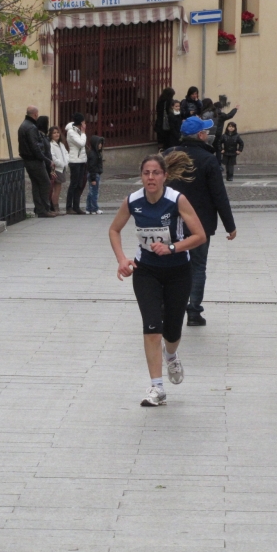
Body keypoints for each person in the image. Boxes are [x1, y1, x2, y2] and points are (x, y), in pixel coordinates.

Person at [108, 153, 207, 407]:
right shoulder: (133, 201)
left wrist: (173, 247)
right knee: (152, 327)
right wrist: (121, 259)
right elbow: (114, 229)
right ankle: (157, 387)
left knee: (172, 329)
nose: (150, 178)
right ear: (141, 176)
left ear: (164, 176)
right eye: (146, 173)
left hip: (177, 271)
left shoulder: (177, 200)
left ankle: (171, 355)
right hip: (146, 271)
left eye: (155, 173)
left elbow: (200, 235)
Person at [163, 116, 237, 326]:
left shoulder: (169, 155)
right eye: (206, 131)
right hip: (200, 224)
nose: (208, 135)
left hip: (169, 222)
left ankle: (166, 307)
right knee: (197, 267)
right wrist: (229, 225)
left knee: (169, 265)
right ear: (201, 135)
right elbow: (218, 195)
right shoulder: (208, 159)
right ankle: (193, 312)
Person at [18, 106, 56, 218]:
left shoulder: (23, 125)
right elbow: (35, 147)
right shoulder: (31, 127)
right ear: (35, 115)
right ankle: (44, 209)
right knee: (45, 183)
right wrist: (47, 160)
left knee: (36, 184)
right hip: (35, 160)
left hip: (28, 160)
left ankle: (40, 209)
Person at [65, 112, 88, 215]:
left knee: (79, 184)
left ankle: (76, 206)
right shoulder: (71, 132)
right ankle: (69, 207)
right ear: (81, 122)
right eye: (83, 122)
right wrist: (83, 133)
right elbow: (81, 143)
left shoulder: (78, 131)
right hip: (75, 161)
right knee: (73, 184)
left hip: (82, 160)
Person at [35, 116, 57, 211]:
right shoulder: (40, 135)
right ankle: (44, 207)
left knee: (49, 185)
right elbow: (43, 151)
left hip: (48, 162)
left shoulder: (44, 136)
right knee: (45, 185)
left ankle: (49, 206)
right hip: (44, 162)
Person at [48, 126, 69, 214]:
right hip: (57, 168)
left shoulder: (61, 144)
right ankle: (54, 207)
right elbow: (53, 157)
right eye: (54, 133)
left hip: (62, 168)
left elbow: (66, 154)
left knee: (58, 189)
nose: (56, 134)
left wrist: (66, 163)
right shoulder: (51, 145)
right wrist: (61, 163)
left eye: (57, 132)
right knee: (56, 189)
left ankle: (55, 206)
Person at [212, 101, 239, 165]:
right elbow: (230, 115)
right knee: (218, 150)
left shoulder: (211, 114)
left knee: (210, 149)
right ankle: (218, 165)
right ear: (220, 108)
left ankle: (210, 164)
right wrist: (235, 109)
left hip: (210, 134)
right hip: (218, 134)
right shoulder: (221, 115)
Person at [86, 135, 105, 214]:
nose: (100, 145)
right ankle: (94, 208)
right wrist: (93, 178)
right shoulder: (94, 154)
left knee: (91, 192)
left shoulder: (96, 153)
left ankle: (89, 208)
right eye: (99, 143)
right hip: (94, 174)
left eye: (101, 143)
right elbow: (92, 167)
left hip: (94, 174)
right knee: (94, 192)